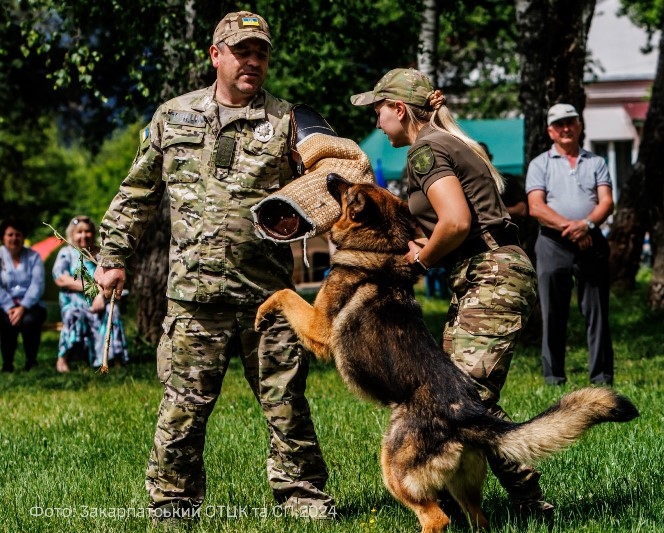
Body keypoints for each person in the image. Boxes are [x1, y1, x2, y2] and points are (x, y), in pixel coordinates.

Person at [93, 11, 333, 523]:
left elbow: (336, 178)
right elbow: (137, 193)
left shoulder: (291, 120)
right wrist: (113, 257)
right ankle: (173, 504)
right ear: (215, 55)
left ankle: (304, 499)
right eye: (242, 51)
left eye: (261, 53)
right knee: (182, 411)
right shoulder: (172, 116)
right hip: (193, 300)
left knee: (286, 407)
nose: (253, 61)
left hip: (267, 300)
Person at [351, 68, 550, 513]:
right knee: (451, 397)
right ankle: (457, 502)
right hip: (485, 271)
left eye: (379, 110)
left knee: (465, 400)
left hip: (492, 276)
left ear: (399, 109)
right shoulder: (448, 142)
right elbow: (458, 228)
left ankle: (529, 502)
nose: (377, 121)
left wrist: (419, 260)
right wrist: (422, 248)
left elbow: (457, 222)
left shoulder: (425, 150)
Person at [526, 103, 615, 386]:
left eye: (571, 122)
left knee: (597, 310)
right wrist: (573, 228)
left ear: (579, 126)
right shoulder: (540, 163)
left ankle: (601, 376)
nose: (566, 128)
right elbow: (536, 207)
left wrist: (587, 225)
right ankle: (554, 376)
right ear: (550, 131)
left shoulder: (596, 162)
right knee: (553, 310)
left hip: (591, 241)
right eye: (559, 124)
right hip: (553, 243)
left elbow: (607, 202)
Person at [52, 216, 129, 373]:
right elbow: (60, 279)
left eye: (87, 231)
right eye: (79, 232)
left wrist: (100, 297)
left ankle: (111, 359)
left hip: (100, 301)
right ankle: (63, 358)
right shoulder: (66, 253)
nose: (84, 235)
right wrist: (90, 286)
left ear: (93, 234)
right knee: (74, 313)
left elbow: (110, 279)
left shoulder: (101, 254)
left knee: (112, 312)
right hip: (74, 302)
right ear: (72, 235)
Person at [0, 218, 47, 372]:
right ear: (3, 237)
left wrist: (22, 307)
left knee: (29, 321)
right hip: (4, 305)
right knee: (7, 322)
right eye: (10, 234)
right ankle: (7, 364)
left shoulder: (34, 257)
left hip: (32, 305)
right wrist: (9, 307)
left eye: (18, 235)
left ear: (23, 237)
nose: (14, 238)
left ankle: (31, 361)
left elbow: (37, 285)